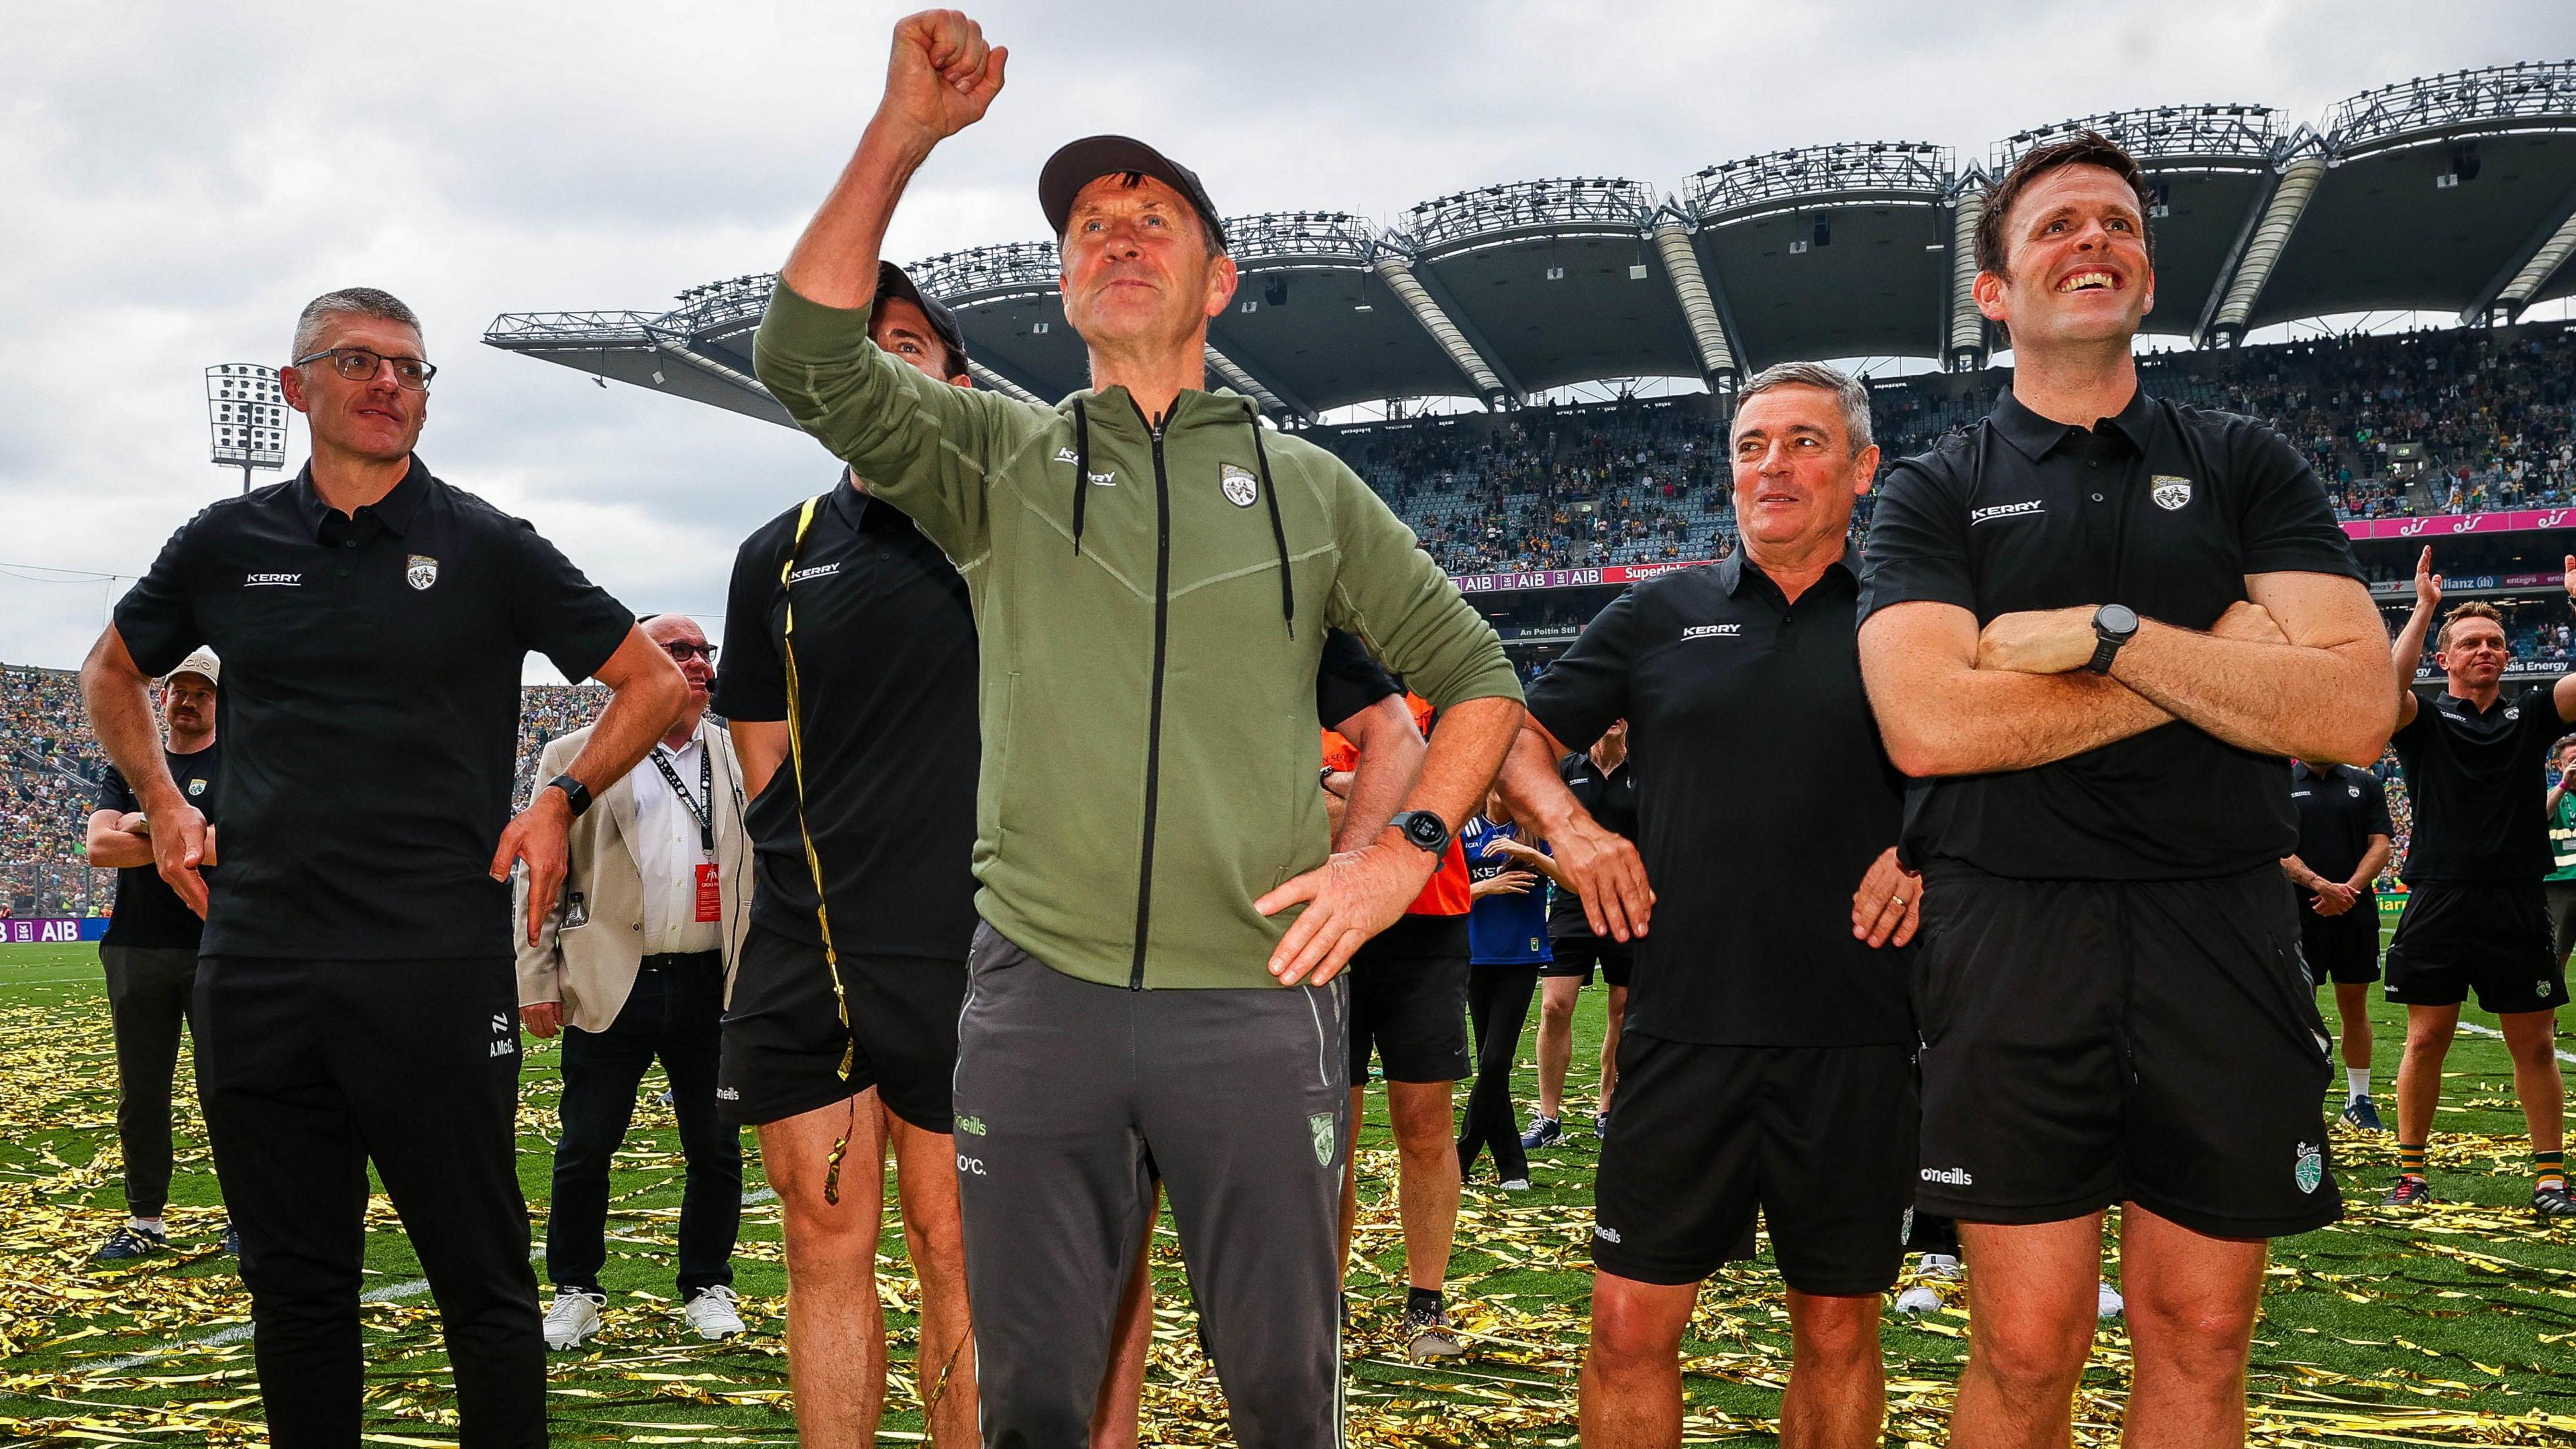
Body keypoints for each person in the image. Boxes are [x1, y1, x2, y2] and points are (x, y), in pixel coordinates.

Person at [753, 17, 1524, 1444]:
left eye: (1151, 219)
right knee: (1036, 1400)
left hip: (1255, 998)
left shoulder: (1311, 488)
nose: (1115, 237)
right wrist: (903, 136)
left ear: (1217, 279)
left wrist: (1400, 855)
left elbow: (1476, 673)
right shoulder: (1000, 457)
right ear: (1062, 289)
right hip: (1038, 993)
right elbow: (803, 356)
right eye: (1089, 229)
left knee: (1282, 1394)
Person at [1855, 132, 2394, 1447]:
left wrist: (2112, 638)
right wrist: (2222, 661)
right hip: (2010, 930)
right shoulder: (1936, 487)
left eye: (2117, 223)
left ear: (2147, 275)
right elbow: (1928, 725)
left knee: (2201, 1336)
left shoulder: (2246, 462)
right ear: (1994, 293)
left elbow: (2353, 710)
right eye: (2056, 226)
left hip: (2221, 922)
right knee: (2027, 1345)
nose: (2093, 238)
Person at [80, 286, 686, 1448]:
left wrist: (558, 800)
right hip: (259, 965)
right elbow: (110, 671)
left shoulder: (488, 544)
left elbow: (650, 681)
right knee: (296, 1289)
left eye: (410, 367)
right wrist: (161, 800)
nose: (390, 384)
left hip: (434, 965)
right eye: (358, 361)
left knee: (482, 1282)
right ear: (293, 387)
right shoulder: (225, 542)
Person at [1499, 362, 1923, 1449]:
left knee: (1837, 1332)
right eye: (1750, 446)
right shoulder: (1660, 611)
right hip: (1683, 1026)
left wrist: (1930, 853)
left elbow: (2000, 766)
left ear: (1863, 469)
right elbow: (1514, 737)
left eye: (1804, 442)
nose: (1771, 465)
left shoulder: (1911, 616)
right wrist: (1576, 830)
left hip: (1859, 1031)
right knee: (1626, 1327)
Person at [714, 261, 988, 1449]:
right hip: (807, 944)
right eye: (862, 343)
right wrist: (817, 870)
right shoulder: (774, 555)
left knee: (954, 1249)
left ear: (957, 382)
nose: (880, 359)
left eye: (908, 343)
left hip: (969, 946)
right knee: (821, 1246)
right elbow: (759, 745)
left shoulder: (1008, 531)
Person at [517, 613, 754, 1348]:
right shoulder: (573, 753)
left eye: (705, 651)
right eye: (678, 650)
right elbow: (540, 874)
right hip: (613, 977)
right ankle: (576, 1289)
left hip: (713, 982)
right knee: (587, 1145)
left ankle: (708, 1283)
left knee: (715, 1147)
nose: (698, 662)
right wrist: (536, 978)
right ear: (637, 663)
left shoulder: (742, 753)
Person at [2377, 566, 2575, 1216]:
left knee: (2535, 1044)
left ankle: (2550, 1181)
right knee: (2425, 1039)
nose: (2484, 649)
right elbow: (2386, 689)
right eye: (2469, 643)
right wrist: (2424, 608)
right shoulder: (2425, 721)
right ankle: (2411, 1175)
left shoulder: (2532, 715)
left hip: (2517, 899)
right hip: (2439, 896)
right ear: (2445, 659)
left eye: (2494, 641)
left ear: (2508, 655)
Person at [1332, 685, 1475, 1363]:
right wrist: (1393, 794)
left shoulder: (1439, 695)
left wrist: (1336, 784)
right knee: (1328, 1132)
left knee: (1424, 1124)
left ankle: (1426, 1302)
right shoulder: (1309, 688)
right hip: (1332, 920)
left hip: (1428, 926)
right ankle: (1325, 1299)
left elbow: (1445, 801)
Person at [85, 647, 225, 1263]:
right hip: (136, 946)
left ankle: (246, 1216)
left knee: (229, 1088)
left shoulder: (234, 762)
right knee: (141, 1092)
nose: (188, 701)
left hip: (214, 945)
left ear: (219, 702)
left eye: (203, 692)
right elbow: (98, 849)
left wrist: (141, 826)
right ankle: (146, 1220)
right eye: (179, 690)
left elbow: (232, 846)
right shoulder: (131, 763)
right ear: (161, 697)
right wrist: (179, 835)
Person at [1523, 720, 1634, 1148]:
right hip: (1573, 902)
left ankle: (1607, 1107)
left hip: (1629, 902)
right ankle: (1548, 1117)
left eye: (1622, 712)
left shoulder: (1645, 771)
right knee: (1554, 1007)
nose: (1614, 718)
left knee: (1622, 1008)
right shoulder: (1567, 769)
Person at [2283, 753, 2396, 1132]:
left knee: (2354, 1005)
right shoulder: (2281, 782)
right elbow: (2279, 850)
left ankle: (2358, 1100)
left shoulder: (2366, 783)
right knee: (2302, 1007)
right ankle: (2303, 1100)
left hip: (2354, 911)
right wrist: (2320, 886)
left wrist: (2347, 891)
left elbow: (2381, 845)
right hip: (2298, 914)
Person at [1455, 793, 1550, 1193]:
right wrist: (1488, 886)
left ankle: (1461, 1157)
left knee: (1496, 1060)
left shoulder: (1535, 830)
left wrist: (1529, 854)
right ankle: (1512, 1166)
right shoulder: (1466, 831)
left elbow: (1573, 880)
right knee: (1492, 1067)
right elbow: (1445, 892)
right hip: (1476, 957)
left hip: (1521, 957)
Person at [2542, 735, 2576, 965]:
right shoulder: (2551, 793)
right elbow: (2540, 815)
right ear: (2560, 766)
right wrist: (2564, 784)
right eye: (2572, 760)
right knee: (2556, 955)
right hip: (2558, 885)